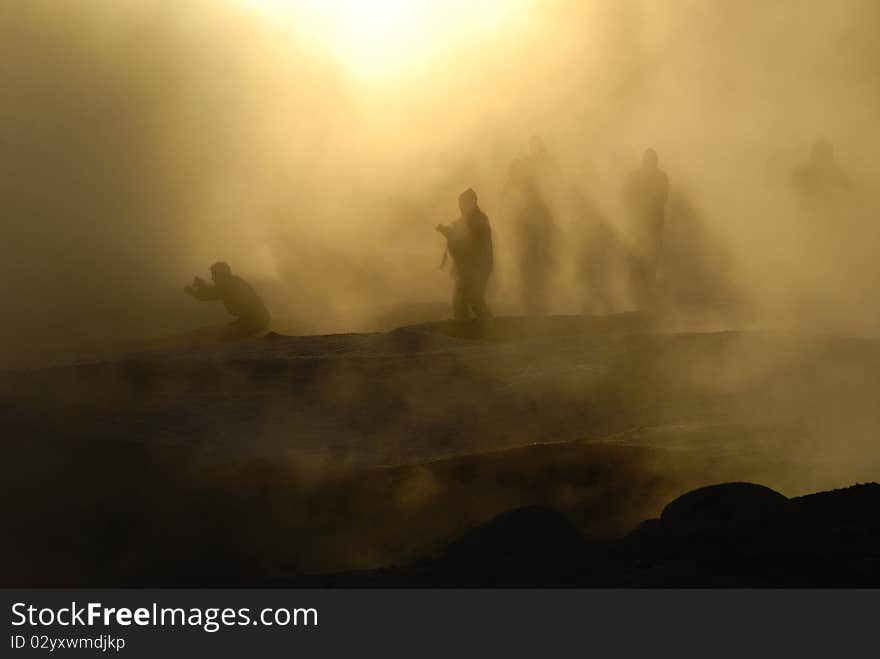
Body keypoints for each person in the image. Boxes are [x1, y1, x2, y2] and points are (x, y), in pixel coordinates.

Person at [436, 189, 494, 321]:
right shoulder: (469, 219)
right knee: (462, 302)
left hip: (476, 268)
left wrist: (448, 233)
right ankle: (473, 330)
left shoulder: (478, 221)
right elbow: (461, 240)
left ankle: (491, 330)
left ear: (472, 202)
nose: (460, 206)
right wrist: (449, 232)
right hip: (467, 269)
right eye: (460, 203)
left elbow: (469, 244)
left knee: (473, 300)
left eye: (462, 203)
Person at [622, 148, 669, 308]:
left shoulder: (659, 177)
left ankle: (645, 293)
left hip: (652, 225)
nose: (651, 163)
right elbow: (625, 196)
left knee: (651, 258)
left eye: (652, 160)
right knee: (640, 257)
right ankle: (638, 294)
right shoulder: (638, 177)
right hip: (641, 224)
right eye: (649, 160)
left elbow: (663, 197)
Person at [184, 261, 270, 339]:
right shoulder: (232, 282)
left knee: (221, 336)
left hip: (255, 321)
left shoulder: (227, 285)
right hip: (256, 319)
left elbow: (210, 294)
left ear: (220, 274)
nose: (212, 278)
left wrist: (193, 292)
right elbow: (214, 291)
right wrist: (202, 286)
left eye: (214, 274)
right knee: (225, 332)